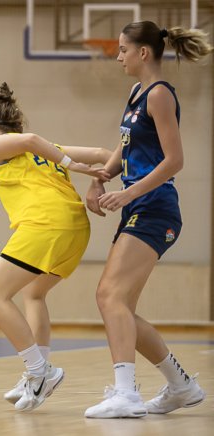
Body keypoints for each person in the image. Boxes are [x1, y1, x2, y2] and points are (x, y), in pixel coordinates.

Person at [84, 22, 211, 419]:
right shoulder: (135, 93)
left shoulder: (159, 96)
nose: (117, 56)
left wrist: (129, 191)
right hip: (139, 206)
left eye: (123, 50)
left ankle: (126, 394)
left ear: (143, 53)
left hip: (155, 207)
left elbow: (175, 160)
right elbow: (126, 148)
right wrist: (101, 177)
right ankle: (181, 386)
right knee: (121, 308)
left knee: (108, 296)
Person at [0, 82, 111, 412]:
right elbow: (103, 155)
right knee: (34, 293)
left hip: (45, 224)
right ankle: (36, 375)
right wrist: (97, 180)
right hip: (76, 227)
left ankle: (41, 371)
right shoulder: (46, 149)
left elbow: (31, 139)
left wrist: (73, 166)